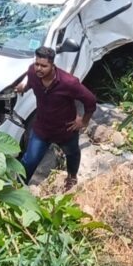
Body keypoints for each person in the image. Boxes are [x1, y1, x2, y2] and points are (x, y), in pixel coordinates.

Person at [14, 45, 97, 191]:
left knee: (72, 154)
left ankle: (72, 177)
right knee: (29, 160)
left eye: (43, 66)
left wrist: (83, 121)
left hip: (65, 130)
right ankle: (18, 190)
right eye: (37, 64)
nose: (39, 68)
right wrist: (24, 87)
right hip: (41, 128)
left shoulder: (69, 83)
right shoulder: (33, 73)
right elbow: (31, 83)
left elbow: (90, 101)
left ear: (52, 65)